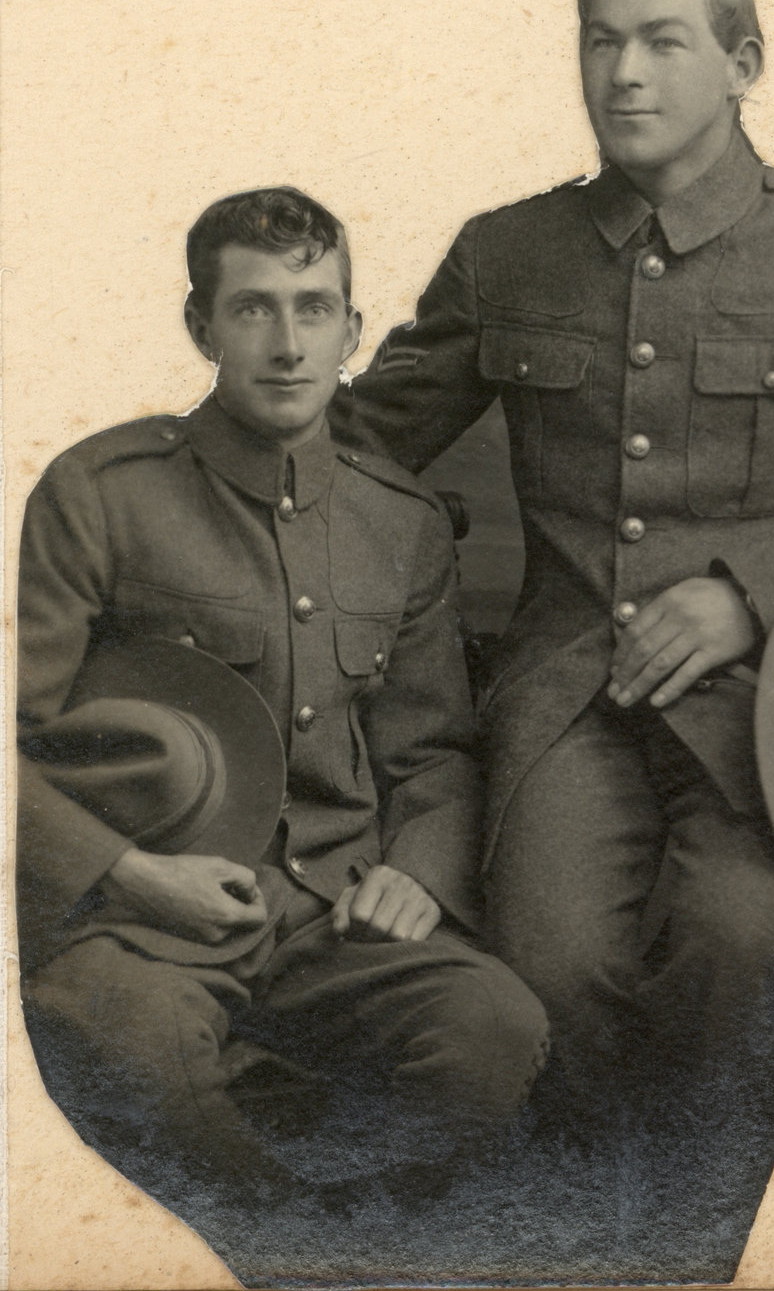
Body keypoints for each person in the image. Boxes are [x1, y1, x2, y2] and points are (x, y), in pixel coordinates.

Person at [330, 0, 774, 1281]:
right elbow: (363, 447)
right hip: (561, 694)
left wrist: (750, 593)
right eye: (598, 38)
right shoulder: (507, 252)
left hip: (769, 713)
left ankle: (678, 1263)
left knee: (735, 949)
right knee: (550, 962)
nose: (621, 73)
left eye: (660, 40)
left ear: (739, 63)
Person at [16, 187, 548, 1272]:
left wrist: (419, 868)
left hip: (332, 919)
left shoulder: (399, 522)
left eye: (316, 308)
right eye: (255, 309)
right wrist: (125, 874)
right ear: (200, 326)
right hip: (147, 918)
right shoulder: (99, 492)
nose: (290, 341)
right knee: (130, 1047)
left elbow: (432, 746)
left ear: (356, 331)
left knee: (495, 1031)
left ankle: (334, 1248)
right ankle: (300, 1256)